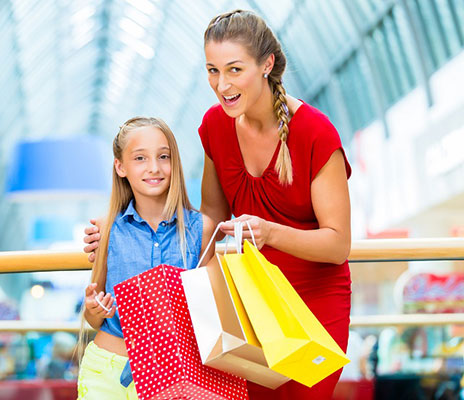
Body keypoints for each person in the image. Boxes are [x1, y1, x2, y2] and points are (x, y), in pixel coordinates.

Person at [84, 10, 352, 399]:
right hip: (243, 306)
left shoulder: (315, 132)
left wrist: (271, 233)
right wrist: (114, 230)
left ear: (267, 65)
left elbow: (338, 244)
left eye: (234, 69)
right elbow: (210, 217)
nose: (221, 84)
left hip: (311, 308)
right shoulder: (216, 125)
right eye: (212, 70)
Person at [77, 117, 215, 400]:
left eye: (163, 156)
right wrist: (94, 308)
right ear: (120, 167)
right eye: (140, 158)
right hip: (107, 372)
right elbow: (92, 318)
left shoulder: (202, 230)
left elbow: (210, 315)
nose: (154, 167)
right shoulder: (106, 229)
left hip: (176, 375)